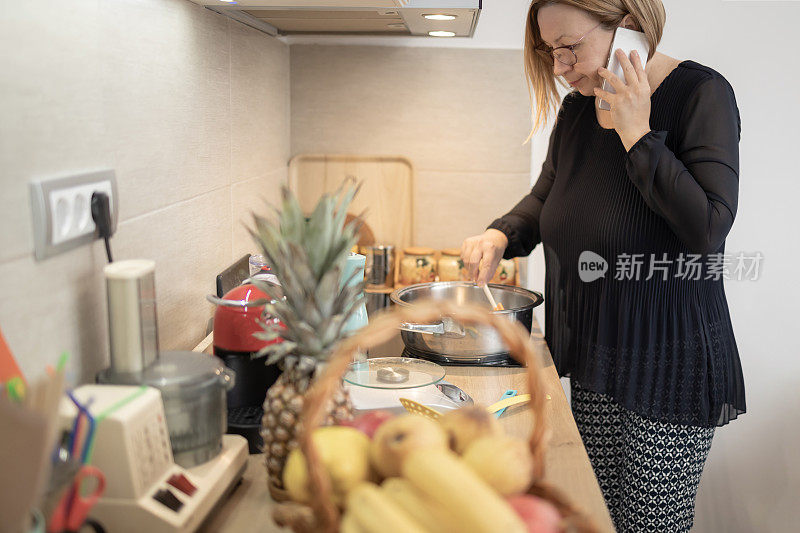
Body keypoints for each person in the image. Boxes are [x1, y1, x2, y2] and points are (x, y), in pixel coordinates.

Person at [461, 1, 746, 531]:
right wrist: (501, 232)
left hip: (669, 363)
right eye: (551, 52)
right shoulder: (576, 112)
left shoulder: (701, 95)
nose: (561, 66)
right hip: (596, 352)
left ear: (630, 28)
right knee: (597, 516)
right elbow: (547, 198)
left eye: (570, 46)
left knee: (648, 527)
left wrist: (636, 132)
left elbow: (707, 229)